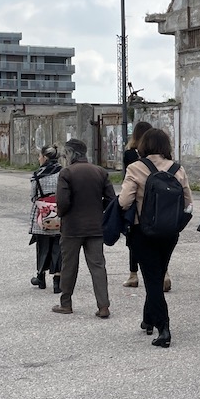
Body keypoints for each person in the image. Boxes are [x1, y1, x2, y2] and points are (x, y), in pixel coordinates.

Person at [118, 128, 191, 348]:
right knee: (157, 274)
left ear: (143, 145)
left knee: (152, 280)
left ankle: (163, 328)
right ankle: (148, 319)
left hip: (143, 232)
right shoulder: (178, 169)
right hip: (169, 233)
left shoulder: (135, 168)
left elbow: (124, 202)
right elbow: (188, 203)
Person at [54, 138, 115, 318]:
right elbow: (112, 200)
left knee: (69, 266)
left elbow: (63, 202)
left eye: (66, 154)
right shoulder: (100, 172)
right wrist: (98, 209)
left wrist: (62, 213)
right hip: (95, 227)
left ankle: (66, 303)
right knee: (98, 266)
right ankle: (103, 306)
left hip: (72, 228)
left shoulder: (66, 173)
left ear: (71, 153)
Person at [122, 121, 152, 289]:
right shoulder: (159, 156)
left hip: (136, 200)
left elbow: (128, 178)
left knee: (133, 238)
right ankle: (164, 274)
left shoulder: (130, 155)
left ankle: (133, 274)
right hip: (156, 199)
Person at [29, 145, 63, 294]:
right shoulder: (63, 173)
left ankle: (41, 276)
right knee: (59, 245)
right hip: (59, 212)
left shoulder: (37, 174)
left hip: (42, 214)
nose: (38, 158)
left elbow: (33, 196)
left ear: (45, 157)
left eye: (39, 156)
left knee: (42, 245)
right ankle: (57, 279)